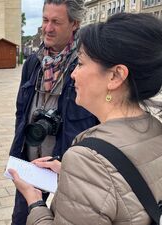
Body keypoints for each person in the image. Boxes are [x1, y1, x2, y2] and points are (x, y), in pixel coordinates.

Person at [9, 12, 162, 225]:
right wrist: (72, 176)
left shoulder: (87, 159)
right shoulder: (155, 129)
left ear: (115, 76)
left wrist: (34, 203)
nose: (73, 74)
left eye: (80, 63)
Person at [9, 0, 98, 223]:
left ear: (74, 24)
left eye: (56, 22)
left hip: (67, 165)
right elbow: (22, 112)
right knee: (21, 218)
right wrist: (18, 151)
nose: (47, 28)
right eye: (45, 20)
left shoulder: (86, 66)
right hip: (31, 160)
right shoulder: (33, 63)